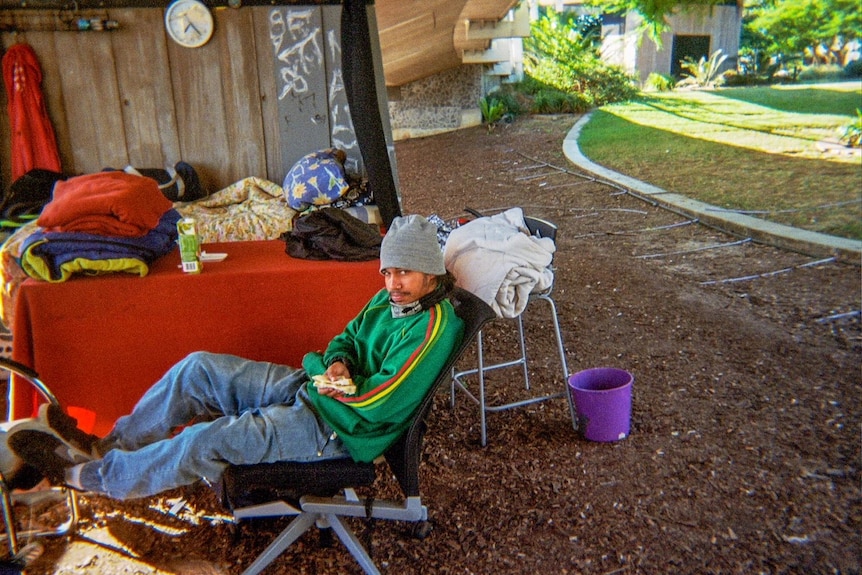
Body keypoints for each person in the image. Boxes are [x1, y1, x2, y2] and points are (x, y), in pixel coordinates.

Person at [9, 215, 464, 500]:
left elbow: (375, 403)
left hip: (339, 429)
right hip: (322, 393)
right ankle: (106, 445)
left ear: (431, 272)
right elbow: (344, 338)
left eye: (404, 271)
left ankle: (90, 476)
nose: (392, 282)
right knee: (198, 369)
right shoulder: (390, 300)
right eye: (387, 271)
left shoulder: (432, 327)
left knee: (206, 440)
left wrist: (320, 372)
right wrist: (334, 363)